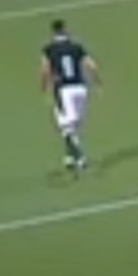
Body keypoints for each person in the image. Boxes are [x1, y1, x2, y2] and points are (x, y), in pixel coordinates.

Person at [40, 18, 102, 174]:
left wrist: (44, 88)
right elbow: (92, 65)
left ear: (53, 33)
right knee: (74, 125)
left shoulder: (49, 49)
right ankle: (69, 157)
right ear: (65, 31)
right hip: (80, 88)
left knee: (66, 127)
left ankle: (80, 158)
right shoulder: (76, 47)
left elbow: (45, 70)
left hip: (63, 90)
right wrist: (98, 82)